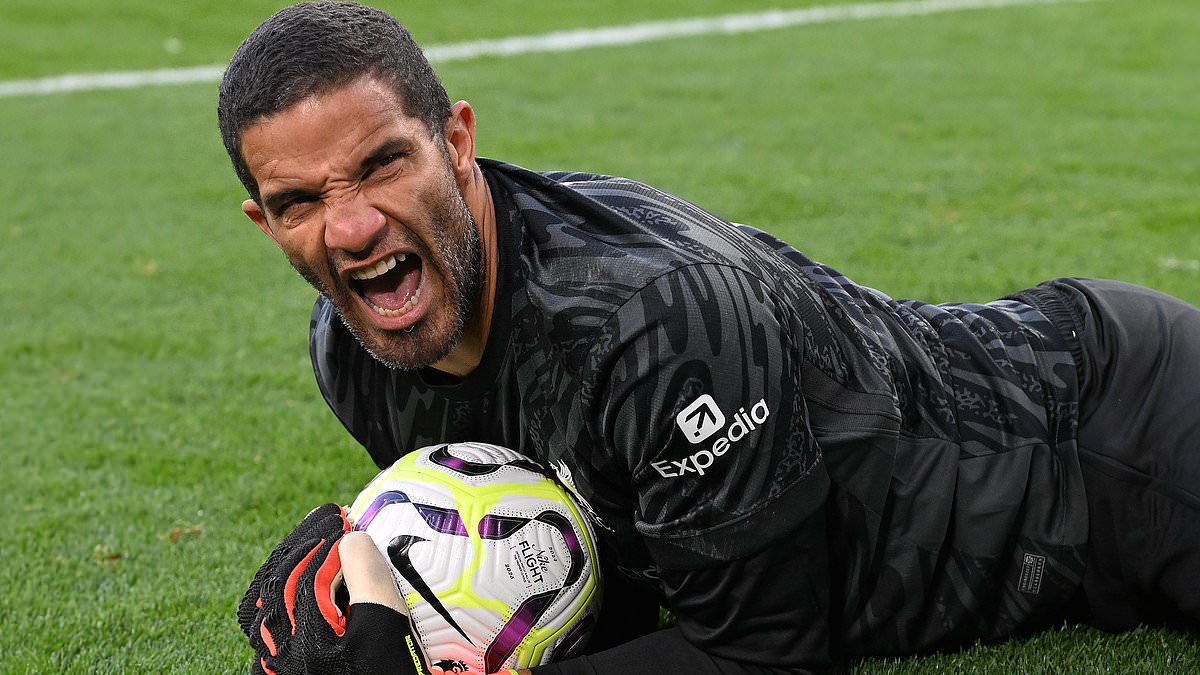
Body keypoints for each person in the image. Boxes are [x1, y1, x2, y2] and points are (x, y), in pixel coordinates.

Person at [218, 2, 1200, 673]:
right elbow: (591, 586)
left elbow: (767, 656)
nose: (349, 227)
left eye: (382, 165)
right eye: (300, 201)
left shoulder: (655, 324)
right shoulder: (353, 351)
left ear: (457, 142)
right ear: (265, 224)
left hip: (1107, 438)